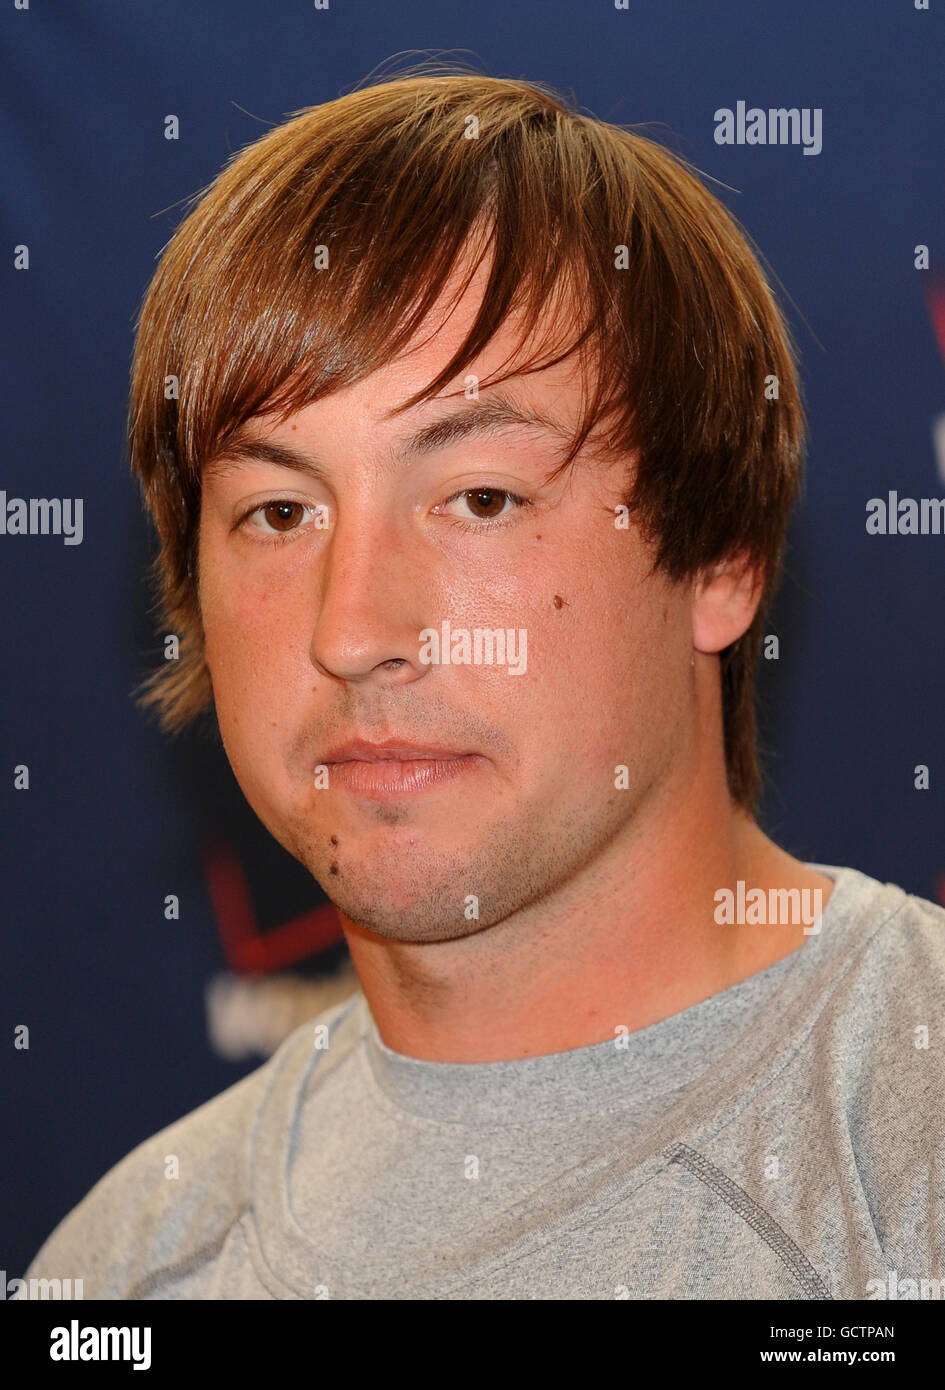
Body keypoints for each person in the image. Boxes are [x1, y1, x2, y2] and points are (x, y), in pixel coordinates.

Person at [25, 67, 945, 1301]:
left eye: (481, 499)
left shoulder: (907, 1143)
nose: (353, 629)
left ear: (721, 555)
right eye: (279, 510)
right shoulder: (127, 1273)